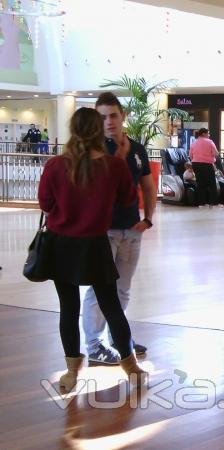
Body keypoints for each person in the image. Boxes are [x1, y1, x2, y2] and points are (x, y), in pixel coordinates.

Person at [38, 107, 147, 393]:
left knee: (68, 308)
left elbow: (46, 204)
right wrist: (121, 160)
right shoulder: (113, 166)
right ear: (98, 131)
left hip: (62, 246)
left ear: (73, 130)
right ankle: (131, 368)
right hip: (96, 245)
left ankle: (72, 373)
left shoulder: (55, 165)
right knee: (111, 306)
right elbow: (127, 200)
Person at [82, 92, 156, 365]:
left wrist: (147, 218)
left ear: (123, 115)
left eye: (113, 115)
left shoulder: (137, 149)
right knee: (99, 289)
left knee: (123, 289)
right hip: (104, 231)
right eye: (102, 117)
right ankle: (93, 343)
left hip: (131, 229)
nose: (109, 122)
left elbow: (147, 186)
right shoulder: (94, 150)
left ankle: (118, 336)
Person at [190, 128, 221, 208]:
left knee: (200, 184)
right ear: (204, 134)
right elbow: (216, 154)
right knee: (212, 184)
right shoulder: (209, 142)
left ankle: (201, 203)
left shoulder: (194, 143)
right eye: (208, 133)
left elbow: (191, 155)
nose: (209, 135)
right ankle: (213, 203)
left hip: (195, 164)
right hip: (207, 165)